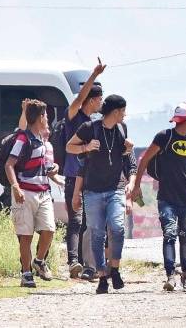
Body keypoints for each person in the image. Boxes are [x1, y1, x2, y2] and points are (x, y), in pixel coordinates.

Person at [131, 102, 186, 292]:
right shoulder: (164, 137)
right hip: (166, 198)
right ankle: (170, 276)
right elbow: (145, 159)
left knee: (185, 237)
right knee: (169, 235)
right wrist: (137, 185)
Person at [66, 94, 135, 294]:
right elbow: (70, 147)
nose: (125, 114)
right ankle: (103, 277)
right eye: (123, 111)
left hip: (115, 189)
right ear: (116, 111)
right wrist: (86, 147)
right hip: (92, 191)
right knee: (97, 234)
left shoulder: (122, 129)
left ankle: (115, 268)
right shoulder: (90, 128)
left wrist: (127, 150)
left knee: (118, 228)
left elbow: (123, 157)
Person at [4, 99, 58, 288]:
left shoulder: (42, 139)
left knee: (49, 230)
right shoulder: (23, 139)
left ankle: (39, 261)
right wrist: (16, 187)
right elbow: (9, 164)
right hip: (25, 192)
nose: (47, 118)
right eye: (45, 115)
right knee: (25, 235)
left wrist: (52, 169)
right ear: (39, 117)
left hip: (43, 193)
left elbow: (40, 165)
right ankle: (26, 273)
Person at [62, 59, 105, 278]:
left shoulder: (94, 123)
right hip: (72, 176)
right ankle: (72, 262)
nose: (101, 102)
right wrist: (94, 75)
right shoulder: (74, 116)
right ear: (91, 99)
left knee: (89, 222)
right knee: (76, 220)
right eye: (99, 98)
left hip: (90, 179)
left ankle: (86, 266)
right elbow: (79, 98)